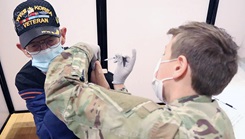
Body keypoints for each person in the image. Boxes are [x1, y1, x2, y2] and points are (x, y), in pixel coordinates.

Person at [45, 21, 238, 139]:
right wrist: (119, 84)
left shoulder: (159, 126)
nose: (160, 61)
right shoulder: (220, 119)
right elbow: (134, 120)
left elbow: (61, 91)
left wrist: (83, 48)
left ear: (179, 66)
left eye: (164, 55)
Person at [13, 0, 113, 138]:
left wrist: (114, 85)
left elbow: (115, 111)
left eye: (50, 41)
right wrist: (65, 86)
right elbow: (47, 132)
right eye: (35, 46)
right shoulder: (27, 79)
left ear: (63, 35)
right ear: (23, 49)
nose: (45, 49)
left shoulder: (82, 59)